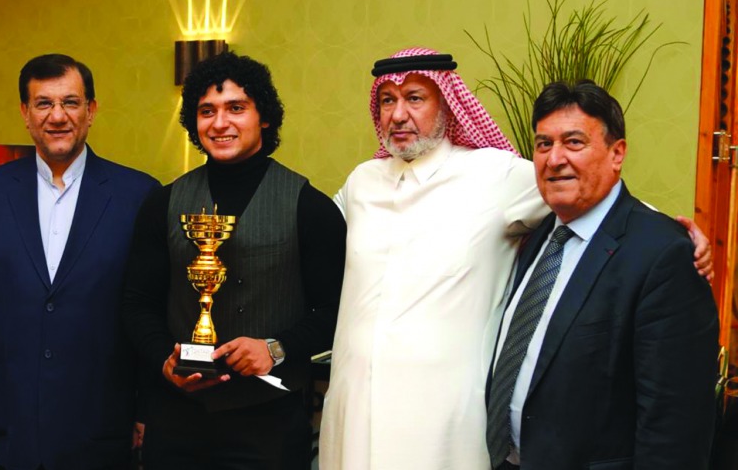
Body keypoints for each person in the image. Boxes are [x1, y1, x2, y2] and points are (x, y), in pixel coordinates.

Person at [319, 48, 714, 469]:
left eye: (415, 98)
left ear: (448, 104)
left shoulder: (494, 174)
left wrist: (681, 236)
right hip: (353, 405)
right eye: (387, 100)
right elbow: (310, 233)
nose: (398, 115)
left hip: (442, 421)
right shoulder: (362, 182)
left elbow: (590, 198)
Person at [121, 51, 345, 469]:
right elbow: (137, 303)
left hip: (270, 424)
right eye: (207, 111)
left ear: (264, 117)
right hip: (176, 421)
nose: (220, 123)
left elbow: (335, 311)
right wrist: (164, 361)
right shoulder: (162, 204)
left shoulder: (310, 207)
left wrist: (277, 348)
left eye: (236, 108)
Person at [484, 80, 717, 469]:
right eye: (543, 144)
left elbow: (676, 427)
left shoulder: (666, 255)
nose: (554, 159)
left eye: (573, 142)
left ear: (617, 153)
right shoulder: (538, 235)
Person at [0, 54, 159, 469]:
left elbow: (149, 311)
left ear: (91, 110)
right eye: (43, 103)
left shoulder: (138, 195)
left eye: (70, 103)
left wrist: (146, 409)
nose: (57, 116)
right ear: (25, 113)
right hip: (10, 422)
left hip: (102, 424)